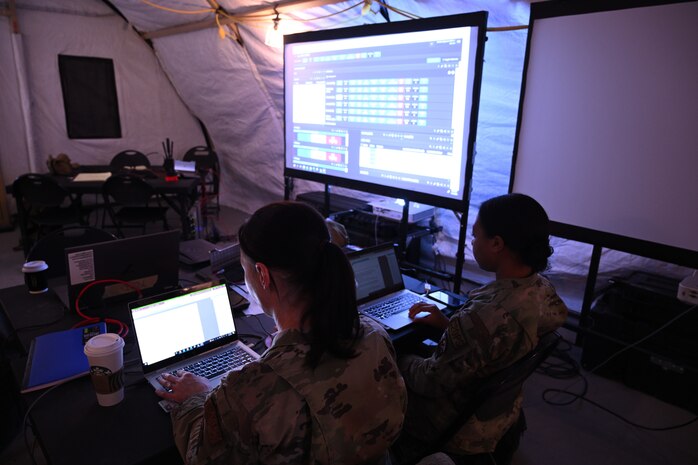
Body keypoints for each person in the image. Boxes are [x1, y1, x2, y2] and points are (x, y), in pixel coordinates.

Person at [156, 201, 407, 464]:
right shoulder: (374, 335)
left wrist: (196, 400)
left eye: (244, 271)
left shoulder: (251, 387)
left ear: (263, 275)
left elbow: (200, 457)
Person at [392, 193, 569, 463]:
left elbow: (430, 382)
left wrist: (394, 356)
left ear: (497, 243)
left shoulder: (483, 317)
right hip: (500, 410)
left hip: (460, 426)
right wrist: (449, 327)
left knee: (382, 367)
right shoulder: (542, 291)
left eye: (475, 237)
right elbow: (497, 339)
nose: (472, 242)